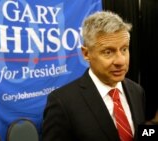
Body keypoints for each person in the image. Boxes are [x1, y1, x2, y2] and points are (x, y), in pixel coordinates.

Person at [42, 11, 145, 141]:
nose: (121, 61)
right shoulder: (62, 102)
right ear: (86, 54)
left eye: (124, 49)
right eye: (108, 52)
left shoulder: (137, 91)